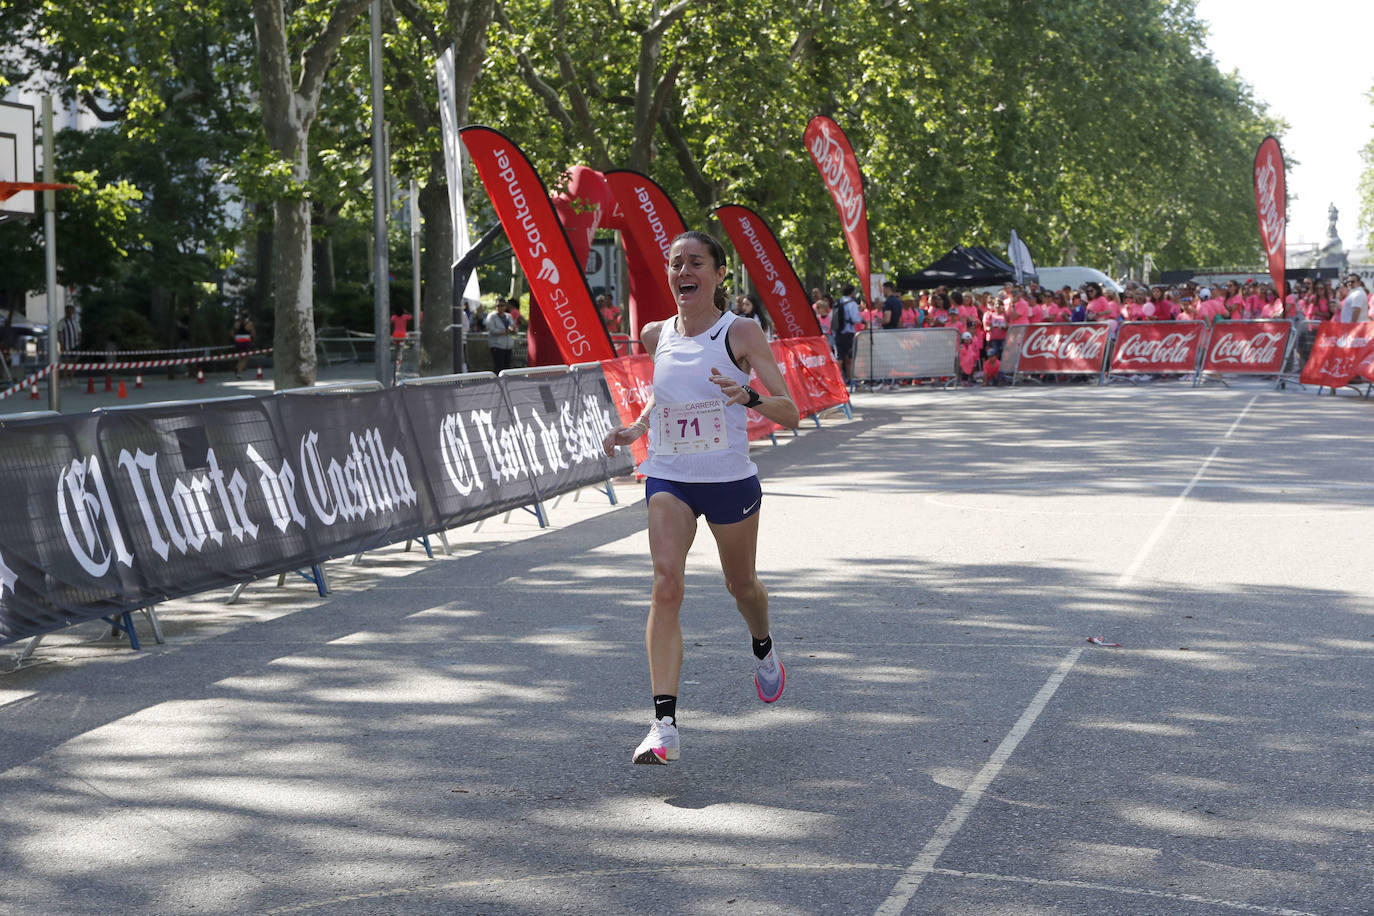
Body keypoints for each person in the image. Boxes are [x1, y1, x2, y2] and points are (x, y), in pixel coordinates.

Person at [601, 230, 800, 766]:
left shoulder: (740, 331)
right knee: (666, 583)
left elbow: (790, 412)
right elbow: (666, 402)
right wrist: (634, 428)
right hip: (669, 476)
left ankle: (763, 645)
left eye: (694, 263)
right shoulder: (653, 334)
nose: (682, 271)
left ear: (716, 274)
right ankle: (663, 726)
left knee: (743, 585)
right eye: (674, 263)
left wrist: (749, 395)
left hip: (730, 478)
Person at [833, 284, 860, 382]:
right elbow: (854, 318)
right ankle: (850, 378)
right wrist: (863, 320)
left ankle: (837, 379)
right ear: (852, 292)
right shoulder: (851, 303)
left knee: (839, 357)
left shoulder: (838, 302)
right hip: (848, 332)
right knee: (850, 358)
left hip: (838, 332)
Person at [485, 297, 517, 373]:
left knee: (507, 368)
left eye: (502, 305)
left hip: (508, 346)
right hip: (497, 346)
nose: (499, 307)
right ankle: (498, 384)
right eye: (497, 305)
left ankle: (506, 384)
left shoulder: (508, 316)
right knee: (499, 367)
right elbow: (492, 330)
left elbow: (514, 328)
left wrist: (513, 329)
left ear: (505, 306)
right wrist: (506, 331)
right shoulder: (491, 316)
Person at [57, 304, 80, 384]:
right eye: (68, 310)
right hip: (66, 345)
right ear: (65, 311)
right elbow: (59, 333)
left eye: (71, 310)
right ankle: (65, 379)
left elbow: (79, 332)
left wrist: (79, 341)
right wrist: (61, 344)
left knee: (73, 362)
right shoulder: (62, 322)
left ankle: (71, 378)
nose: (70, 312)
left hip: (75, 345)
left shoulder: (75, 321)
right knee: (66, 363)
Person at [233, 312, 255, 378]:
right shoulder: (250, 323)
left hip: (238, 341)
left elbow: (232, 332)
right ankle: (239, 373)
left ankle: (237, 367)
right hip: (246, 341)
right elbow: (253, 333)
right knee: (245, 358)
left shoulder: (237, 323)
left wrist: (236, 338)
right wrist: (253, 339)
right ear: (247, 317)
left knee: (240, 357)